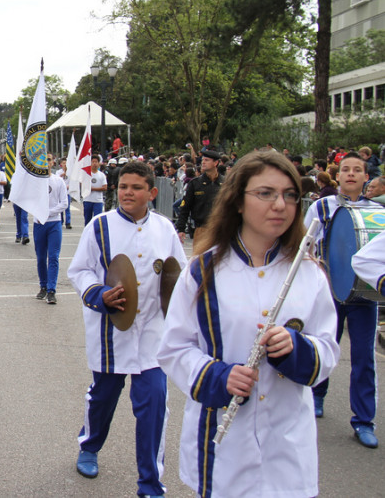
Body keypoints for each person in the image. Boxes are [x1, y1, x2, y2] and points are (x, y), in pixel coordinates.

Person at [158, 149, 339, 496]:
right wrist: (219, 376)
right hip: (222, 445)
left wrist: (296, 348)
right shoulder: (202, 271)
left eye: (290, 195)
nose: (280, 205)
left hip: (288, 447)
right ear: (238, 202)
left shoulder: (309, 273)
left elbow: (328, 350)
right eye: (266, 193)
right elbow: (173, 348)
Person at [68, 161, 186, 496]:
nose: (127, 193)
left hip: (152, 335)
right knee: (103, 398)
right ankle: (90, 445)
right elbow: (79, 271)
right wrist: (99, 294)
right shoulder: (99, 226)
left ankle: (150, 484)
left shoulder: (165, 229)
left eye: (136, 188)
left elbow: (180, 275)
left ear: (152, 192)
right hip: (111, 332)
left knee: (154, 405)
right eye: (123, 187)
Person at [304, 151, 379, 447]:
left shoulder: (377, 210)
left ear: (366, 177)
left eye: (357, 170)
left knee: (364, 358)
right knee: (323, 346)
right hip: (328, 291)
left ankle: (363, 420)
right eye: (345, 169)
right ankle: (316, 396)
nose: (350, 174)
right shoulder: (322, 206)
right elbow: (304, 244)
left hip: (363, 295)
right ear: (337, 176)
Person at [34, 153, 68, 305]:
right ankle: (43, 286)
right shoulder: (35, 181)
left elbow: (64, 203)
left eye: (48, 159)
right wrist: (39, 213)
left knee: (53, 257)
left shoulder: (58, 181)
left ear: (53, 162)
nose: (46, 162)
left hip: (54, 223)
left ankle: (51, 290)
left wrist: (48, 213)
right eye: (43, 160)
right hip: (39, 223)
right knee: (41, 257)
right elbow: (30, 200)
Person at [175, 149, 224, 248]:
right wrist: (181, 228)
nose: (203, 162)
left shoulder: (226, 183)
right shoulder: (195, 183)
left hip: (221, 230)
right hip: (202, 228)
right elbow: (185, 207)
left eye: (206, 160)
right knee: (200, 256)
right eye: (202, 160)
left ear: (216, 163)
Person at [83, 155, 108, 226]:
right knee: (87, 220)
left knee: (98, 220)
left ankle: (97, 232)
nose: (94, 164)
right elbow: (82, 185)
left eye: (96, 162)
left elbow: (105, 187)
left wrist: (92, 189)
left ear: (99, 163)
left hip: (98, 201)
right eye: (93, 162)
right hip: (87, 200)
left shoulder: (102, 175)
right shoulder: (86, 174)